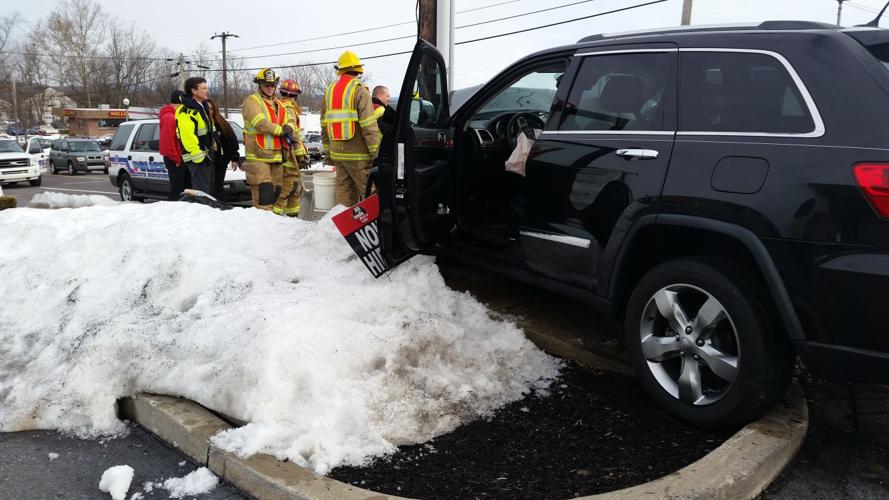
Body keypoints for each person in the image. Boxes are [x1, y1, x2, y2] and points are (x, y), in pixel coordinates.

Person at [321, 51, 380, 207]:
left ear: (340, 70)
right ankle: (373, 228)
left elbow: (324, 125)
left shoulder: (329, 91)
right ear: (358, 70)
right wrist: (377, 153)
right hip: (358, 155)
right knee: (369, 192)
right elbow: (369, 126)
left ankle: (342, 229)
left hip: (337, 154)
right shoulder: (360, 90)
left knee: (344, 194)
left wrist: (328, 154)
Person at [241, 68, 290, 211]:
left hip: (276, 156)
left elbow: (289, 120)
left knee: (276, 191)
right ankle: (260, 226)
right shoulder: (252, 101)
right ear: (259, 85)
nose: (270, 88)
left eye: (272, 85)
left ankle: (271, 225)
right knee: (264, 192)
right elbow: (260, 123)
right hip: (258, 156)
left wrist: (290, 127)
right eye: (266, 85)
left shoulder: (278, 104)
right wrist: (281, 130)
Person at [176, 77, 218, 194]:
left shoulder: (202, 107)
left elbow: (210, 131)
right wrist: (200, 158)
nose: (207, 91)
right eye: (203, 88)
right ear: (194, 91)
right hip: (198, 160)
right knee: (202, 194)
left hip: (207, 158)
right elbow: (188, 137)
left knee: (208, 193)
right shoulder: (186, 111)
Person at [273, 79, 308, 216]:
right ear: (295, 96)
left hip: (284, 152)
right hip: (290, 154)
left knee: (295, 188)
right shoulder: (289, 108)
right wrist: (301, 155)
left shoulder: (279, 105)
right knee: (289, 187)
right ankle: (276, 216)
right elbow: (294, 134)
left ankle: (292, 216)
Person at [205, 98, 240, 202]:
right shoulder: (200, 123)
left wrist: (234, 159)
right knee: (207, 187)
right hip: (205, 162)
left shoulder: (222, 123)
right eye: (206, 109)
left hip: (220, 161)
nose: (209, 111)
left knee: (217, 186)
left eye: (211, 109)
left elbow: (231, 142)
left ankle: (222, 208)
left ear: (215, 109)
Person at [158, 90, 191, 201]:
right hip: (174, 158)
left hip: (179, 157)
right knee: (177, 189)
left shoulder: (174, 115)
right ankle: (173, 210)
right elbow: (168, 141)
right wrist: (176, 159)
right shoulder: (169, 117)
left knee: (184, 187)